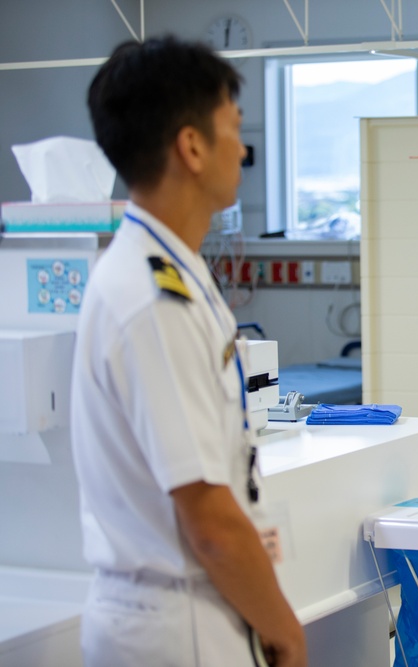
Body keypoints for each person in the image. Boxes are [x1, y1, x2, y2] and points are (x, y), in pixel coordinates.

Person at [71, 37, 307, 666]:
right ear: (192, 146)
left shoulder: (174, 271)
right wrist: (285, 629)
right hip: (176, 626)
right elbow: (209, 518)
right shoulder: (153, 300)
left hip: (186, 613)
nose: (244, 148)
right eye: (234, 127)